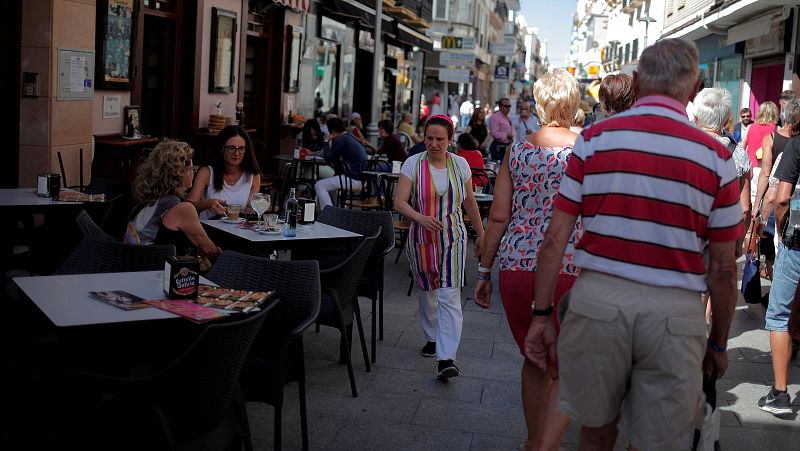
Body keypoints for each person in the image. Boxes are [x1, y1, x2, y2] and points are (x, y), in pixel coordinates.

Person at [525, 39, 742, 450]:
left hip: (598, 302)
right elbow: (724, 268)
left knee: (595, 432)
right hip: (674, 313)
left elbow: (555, 239)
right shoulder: (716, 158)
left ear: (637, 82)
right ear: (694, 87)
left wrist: (541, 315)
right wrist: (718, 342)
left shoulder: (593, 140)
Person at [474, 68, 582, 451]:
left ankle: (534, 440)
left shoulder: (517, 150)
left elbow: (499, 216)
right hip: (572, 269)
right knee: (570, 366)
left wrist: (485, 270)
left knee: (534, 358)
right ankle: (546, 446)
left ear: (538, 104)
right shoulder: (588, 150)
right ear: (574, 104)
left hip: (518, 267)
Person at [394, 115, 485, 380]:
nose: (434, 144)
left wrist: (481, 234)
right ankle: (432, 336)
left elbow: (469, 203)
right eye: (429, 138)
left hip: (454, 237)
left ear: (450, 140)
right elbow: (399, 202)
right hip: (421, 237)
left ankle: (447, 358)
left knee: (449, 293)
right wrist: (420, 217)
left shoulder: (461, 165)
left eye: (440, 139)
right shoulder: (413, 164)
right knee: (427, 291)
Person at [125, 140, 221, 270]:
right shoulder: (182, 209)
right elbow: (209, 249)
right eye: (192, 169)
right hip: (156, 274)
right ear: (181, 173)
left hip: (130, 265)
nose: (194, 172)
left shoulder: (148, 199)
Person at [762, 102, 800, 415]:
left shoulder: (796, 145)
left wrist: (781, 231)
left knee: (779, 315)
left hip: (797, 242)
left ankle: (780, 393)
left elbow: (782, 196)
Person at [753, 99, 800, 278]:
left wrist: (758, 207)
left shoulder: (772, 139)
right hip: (793, 208)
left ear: (785, 116)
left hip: (778, 208)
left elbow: (766, 175)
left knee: (773, 254)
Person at [188, 125, 261, 220]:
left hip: (237, 229)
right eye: (231, 148)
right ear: (221, 149)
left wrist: (251, 209)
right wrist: (207, 204)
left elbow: (250, 212)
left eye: (241, 148)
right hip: (209, 227)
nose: (236, 153)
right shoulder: (207, 172)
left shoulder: (253, 176)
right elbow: (189, 206)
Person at [315, 117, 368, 208]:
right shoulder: (349, 137)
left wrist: (326, 141)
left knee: (319, 185)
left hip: (354, 179)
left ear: (333, 131)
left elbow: (329, 157)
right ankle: (336, 210)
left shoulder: (341, 139)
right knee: (330, 183)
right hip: (362, 178)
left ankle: (328, 215)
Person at [745, 101, 779, 168]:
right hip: (766, 168)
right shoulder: (777, 129)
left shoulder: (750, 127)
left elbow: (742, 148)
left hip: (750, 167)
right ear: (775, 114)